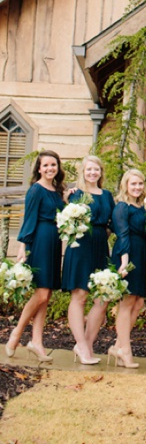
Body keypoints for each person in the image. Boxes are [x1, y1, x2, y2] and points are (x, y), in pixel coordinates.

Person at [6, 151, 66, 361]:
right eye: (46, 165)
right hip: (40, 240)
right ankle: (16, 333)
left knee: (47, 295)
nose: (50, 168)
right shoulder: (36, 190)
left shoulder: (58, 191)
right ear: (39, 168)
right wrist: (23, 247)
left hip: (54, 242)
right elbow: (29, 219)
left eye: (53, 165)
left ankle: (37, 342)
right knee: (40, 293)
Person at [62, 154, 115, 365]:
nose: (93, 173)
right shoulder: (76, 194)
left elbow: (112, 222)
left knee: (102, 297)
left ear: (101, 172)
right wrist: (67, 198)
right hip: (81, 245)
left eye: (96, 169)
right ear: (83, 172)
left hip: (101, 245)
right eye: (89, 169)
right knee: (80, 295)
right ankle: (81, 344)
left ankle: (88, 343)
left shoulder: (107, 195)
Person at [109, 168, 146, 369]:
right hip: (127, 253)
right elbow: (122, 234)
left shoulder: (141, 206)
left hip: (140, 252)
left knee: (139, 301)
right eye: (133, 183)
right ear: (126, 185)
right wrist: (124, 263)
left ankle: (118, 345)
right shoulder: (122, 207)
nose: (137, 187)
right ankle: (126, 350)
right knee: (127, 302)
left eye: (140, 183)